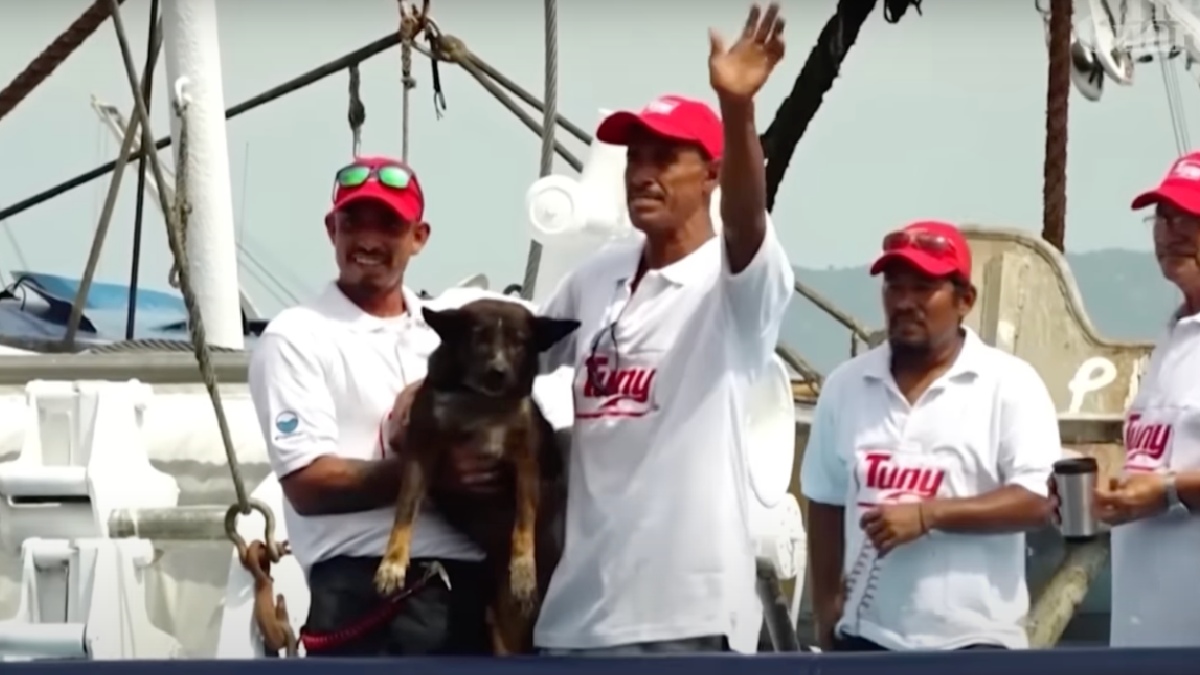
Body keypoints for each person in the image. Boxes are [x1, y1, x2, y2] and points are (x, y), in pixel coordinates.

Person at [532, 3, 795, 656]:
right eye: (634, 158)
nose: (641, 172)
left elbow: (745, 220)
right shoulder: (596, 276)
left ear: (710, 172)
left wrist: (736, 110)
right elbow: (521, 358)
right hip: (574, 620)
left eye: (665, 158)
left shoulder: (734, 281)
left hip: (685, 622)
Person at [248, 156, 571, 656]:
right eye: (354, 223)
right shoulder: (296, 336)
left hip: (477, 590)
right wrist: (435, 470)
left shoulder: (457, 327)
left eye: (390, 225)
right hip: (368, 591)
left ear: (419, 237)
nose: (370, 240)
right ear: (332, 229)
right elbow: (307, 485)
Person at [799, 221, 1060, 652]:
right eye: (893, 286)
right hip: (867, 640)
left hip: (974, 644)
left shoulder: (1009, 384)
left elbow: (1038, 501)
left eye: (923, 288)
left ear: (965, 300)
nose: (904, 302)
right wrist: (826, 608)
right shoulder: (846, 385)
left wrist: (929, 516)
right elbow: (825, 501)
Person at [1103, 151, 1200, 647]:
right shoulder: (1174, 339)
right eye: (1163, 216)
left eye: (1191, 217)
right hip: (1146, 640)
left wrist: (1164, 489)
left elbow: (1165, 483)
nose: (1172, 230)